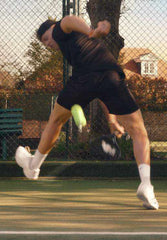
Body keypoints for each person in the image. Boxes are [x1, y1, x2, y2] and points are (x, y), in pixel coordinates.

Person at [15, 16, 159, 210]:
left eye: (46, 38)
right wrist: (112, 120)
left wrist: (91, 31)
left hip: (85, 79)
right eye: (44, 43)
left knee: (55, 121)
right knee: (139, 132)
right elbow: (101, 91)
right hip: (110, 77)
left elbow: (69, 20)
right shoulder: (75, 47)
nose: (47, 44)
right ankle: (146, 186)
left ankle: (33, 167)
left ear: (52, 29)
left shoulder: (61, 27)